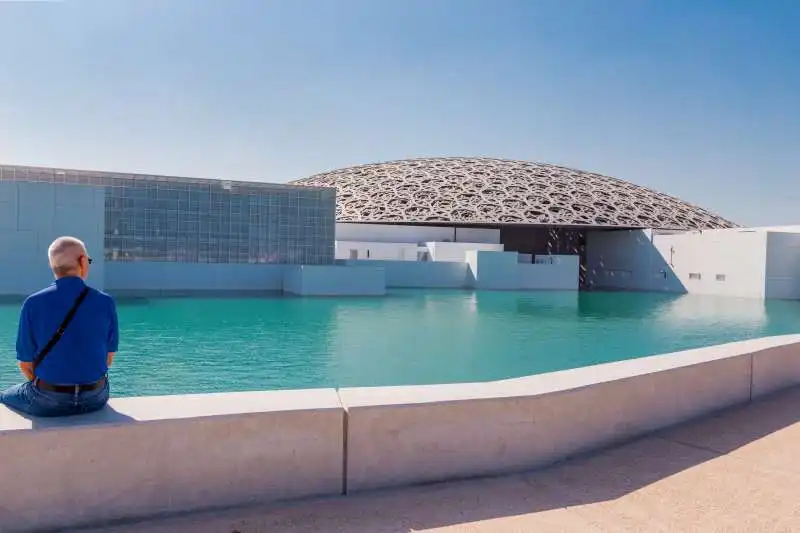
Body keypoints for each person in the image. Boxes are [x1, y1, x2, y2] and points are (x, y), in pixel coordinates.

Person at [0, 236, 118, 417]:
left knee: (4, 395)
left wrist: (54, 387)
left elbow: (25, 365)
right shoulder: (105, 302)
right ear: (82, 261)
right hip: (96, 397)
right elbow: (108, 359)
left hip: (48, 399)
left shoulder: (33, 303)